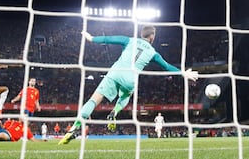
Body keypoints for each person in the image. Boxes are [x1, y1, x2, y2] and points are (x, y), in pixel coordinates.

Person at [58, 26, 199, 145]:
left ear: (141, 34)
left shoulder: (129, 40)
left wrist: (91, 38)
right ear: (152, 37)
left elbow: (109, 39)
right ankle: (115, 111)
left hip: (115, 72)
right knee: (126, 95)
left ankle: (74, 128)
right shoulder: (153, 53)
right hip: (131, 78)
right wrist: (183, 73)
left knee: (93, 100)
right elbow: (167, 67)